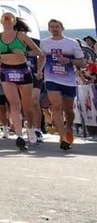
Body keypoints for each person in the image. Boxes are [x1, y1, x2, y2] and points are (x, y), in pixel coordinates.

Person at [0, 11, 44, 151]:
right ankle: (19, 136)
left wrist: (25, 53)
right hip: (6, 70)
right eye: (5, 19)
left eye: (10, 19)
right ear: (1, 22)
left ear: (14, 22)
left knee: (27, 106)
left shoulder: (21, 36)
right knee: (14, 104)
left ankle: (31, 128)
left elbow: (39, 52)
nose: (7, 22)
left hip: (22, 69)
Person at [37, 19, 85, 151]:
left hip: (68, 80)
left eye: (57, 26)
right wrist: (39, 71)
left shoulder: (71, 43)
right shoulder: (44, 43)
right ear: (49, 29)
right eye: (52, 27)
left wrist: (69, 60)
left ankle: (69, 128)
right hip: (51, 79)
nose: (54, 29)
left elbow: (81, 62)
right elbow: (41, 58)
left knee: (68, 110)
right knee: (56, 106)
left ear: (62, 28)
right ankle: (63, 137)